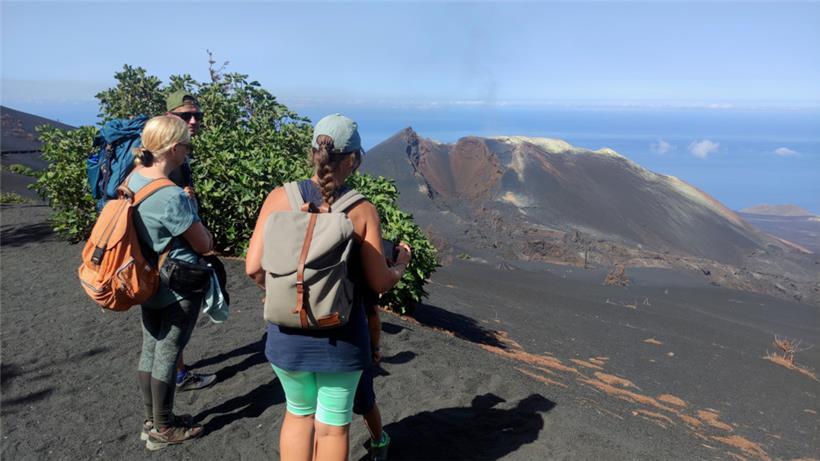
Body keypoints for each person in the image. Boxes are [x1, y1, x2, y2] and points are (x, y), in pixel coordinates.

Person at [245, 114, 411, 461]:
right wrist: (400, 265)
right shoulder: (361, 210)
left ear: (312, 153)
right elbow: (379, 282)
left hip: (286, 333)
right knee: (332, 426)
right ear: (353, 159)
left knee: (297, 414)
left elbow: (252, 268)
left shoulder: (279, 197)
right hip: (342, 338)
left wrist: (283, 291)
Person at [129, 115, 214, 450]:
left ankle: (152, 420)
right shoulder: (170, 195)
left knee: (150, 349)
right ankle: (164, 429)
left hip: (145, 278)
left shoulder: (134, 179)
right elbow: (203, 243)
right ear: (175, 148)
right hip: (176, 284)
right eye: (186, 145)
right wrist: (190, 204)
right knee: (168, 351)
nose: (188, 151)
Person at [164, 90, 217, 392]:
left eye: (197, 115)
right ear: (170, 116)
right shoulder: (166, 156)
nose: (194, 120)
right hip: (170, 253)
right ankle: (178, 375)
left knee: (171, 323)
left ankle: (178, 369)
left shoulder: (175, 153)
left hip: (169, 249)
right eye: (186, 116)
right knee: (173, 322)